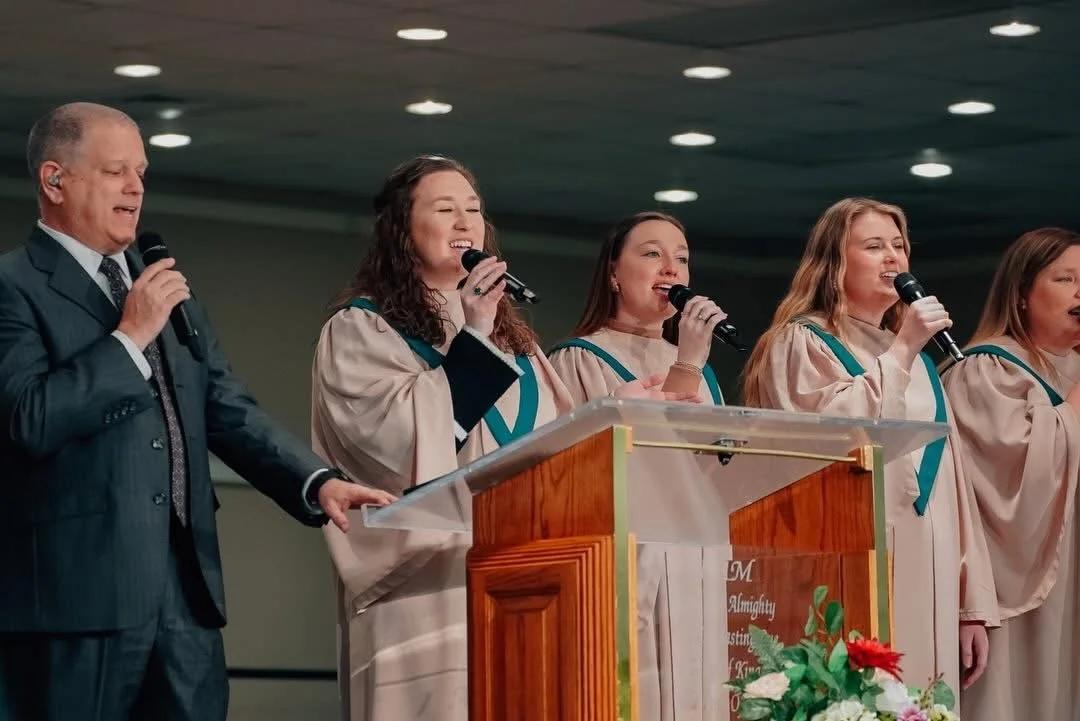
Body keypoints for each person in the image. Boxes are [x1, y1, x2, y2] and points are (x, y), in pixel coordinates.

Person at [0, 102, 394, 721]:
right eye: (115, 172)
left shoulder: (159, 286)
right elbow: (30, 418)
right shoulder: (14, 286)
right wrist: (128, 341)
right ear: (54, 181)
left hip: (185, 602)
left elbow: (224, 406)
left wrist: (316, 482)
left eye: (142, 173)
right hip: (75, 606)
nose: (135, 189)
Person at [310, 155, 576, 721]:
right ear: (402, 229)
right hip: (428, 583)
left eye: (474, 211)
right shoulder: (363, 328)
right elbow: (393, 443)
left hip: (524, 574)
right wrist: (473, 335)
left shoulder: (518, 343)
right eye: (445, 209)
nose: (465, 224)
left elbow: (561, 440)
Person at [740, 197, 997, 694]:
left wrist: (971, 605)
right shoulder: (802, 341)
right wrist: (903, 348)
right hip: (852, 548)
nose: (892, 259)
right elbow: (833, 438)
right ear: (835, 263)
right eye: (874, 246)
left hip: (929, 556)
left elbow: (954, 482)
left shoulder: (920, 360)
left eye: (899, 247)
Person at [548, 210, 726, 720]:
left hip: (697, 557)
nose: (671, 268)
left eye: (683, 259)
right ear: (612, 273)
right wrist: (688, 364)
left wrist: (692, 362)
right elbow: (630, 463)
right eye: (652, 254)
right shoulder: (580, 360)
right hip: (628, 560)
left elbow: (707, 470)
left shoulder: (700, 363)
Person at [941, 227, 1080, 720]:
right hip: (1025, 590)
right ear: (1022, 294)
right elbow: (1011, 486)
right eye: (1066, 279)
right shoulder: (987, 371)